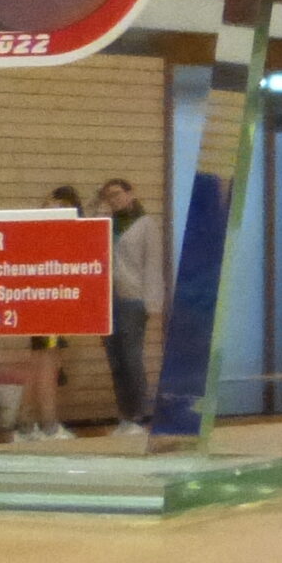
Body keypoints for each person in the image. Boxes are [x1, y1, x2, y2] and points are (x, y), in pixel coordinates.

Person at [18, 184, 84, 441]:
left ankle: (25, 426)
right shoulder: (45, 231)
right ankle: (48, 425)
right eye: (57, 205)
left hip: (51, 306)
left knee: (40, 364)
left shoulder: (65, 234)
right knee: (46, 365)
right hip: (45, 307)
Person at [96, 177, 162, 428]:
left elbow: (153, 265)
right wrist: (98, 206)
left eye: (117, 194)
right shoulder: (105, 223)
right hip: (106, 300)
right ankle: (124, 413)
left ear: (130, 193)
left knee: (131, 357)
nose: (113, 199)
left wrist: (151, 304)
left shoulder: (145, 224)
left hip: (133, 299)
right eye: (108, 196)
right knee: (115, 359)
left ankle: (140, 412)